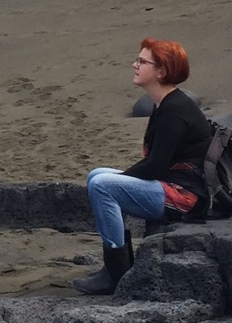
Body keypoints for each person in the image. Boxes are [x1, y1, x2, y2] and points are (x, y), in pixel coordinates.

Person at [71, 38, 211, 295]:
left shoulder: (175, 110)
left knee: (103, 185)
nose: (134, 65)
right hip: (172, 184)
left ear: (161, 71)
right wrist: (123, 180)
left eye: (141, 61)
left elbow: (155, 166)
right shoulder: (165, 104)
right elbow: (156, 164)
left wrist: (121, 181)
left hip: (185, 197)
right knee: (97, 175)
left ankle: (117, 273)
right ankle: (116, 265)